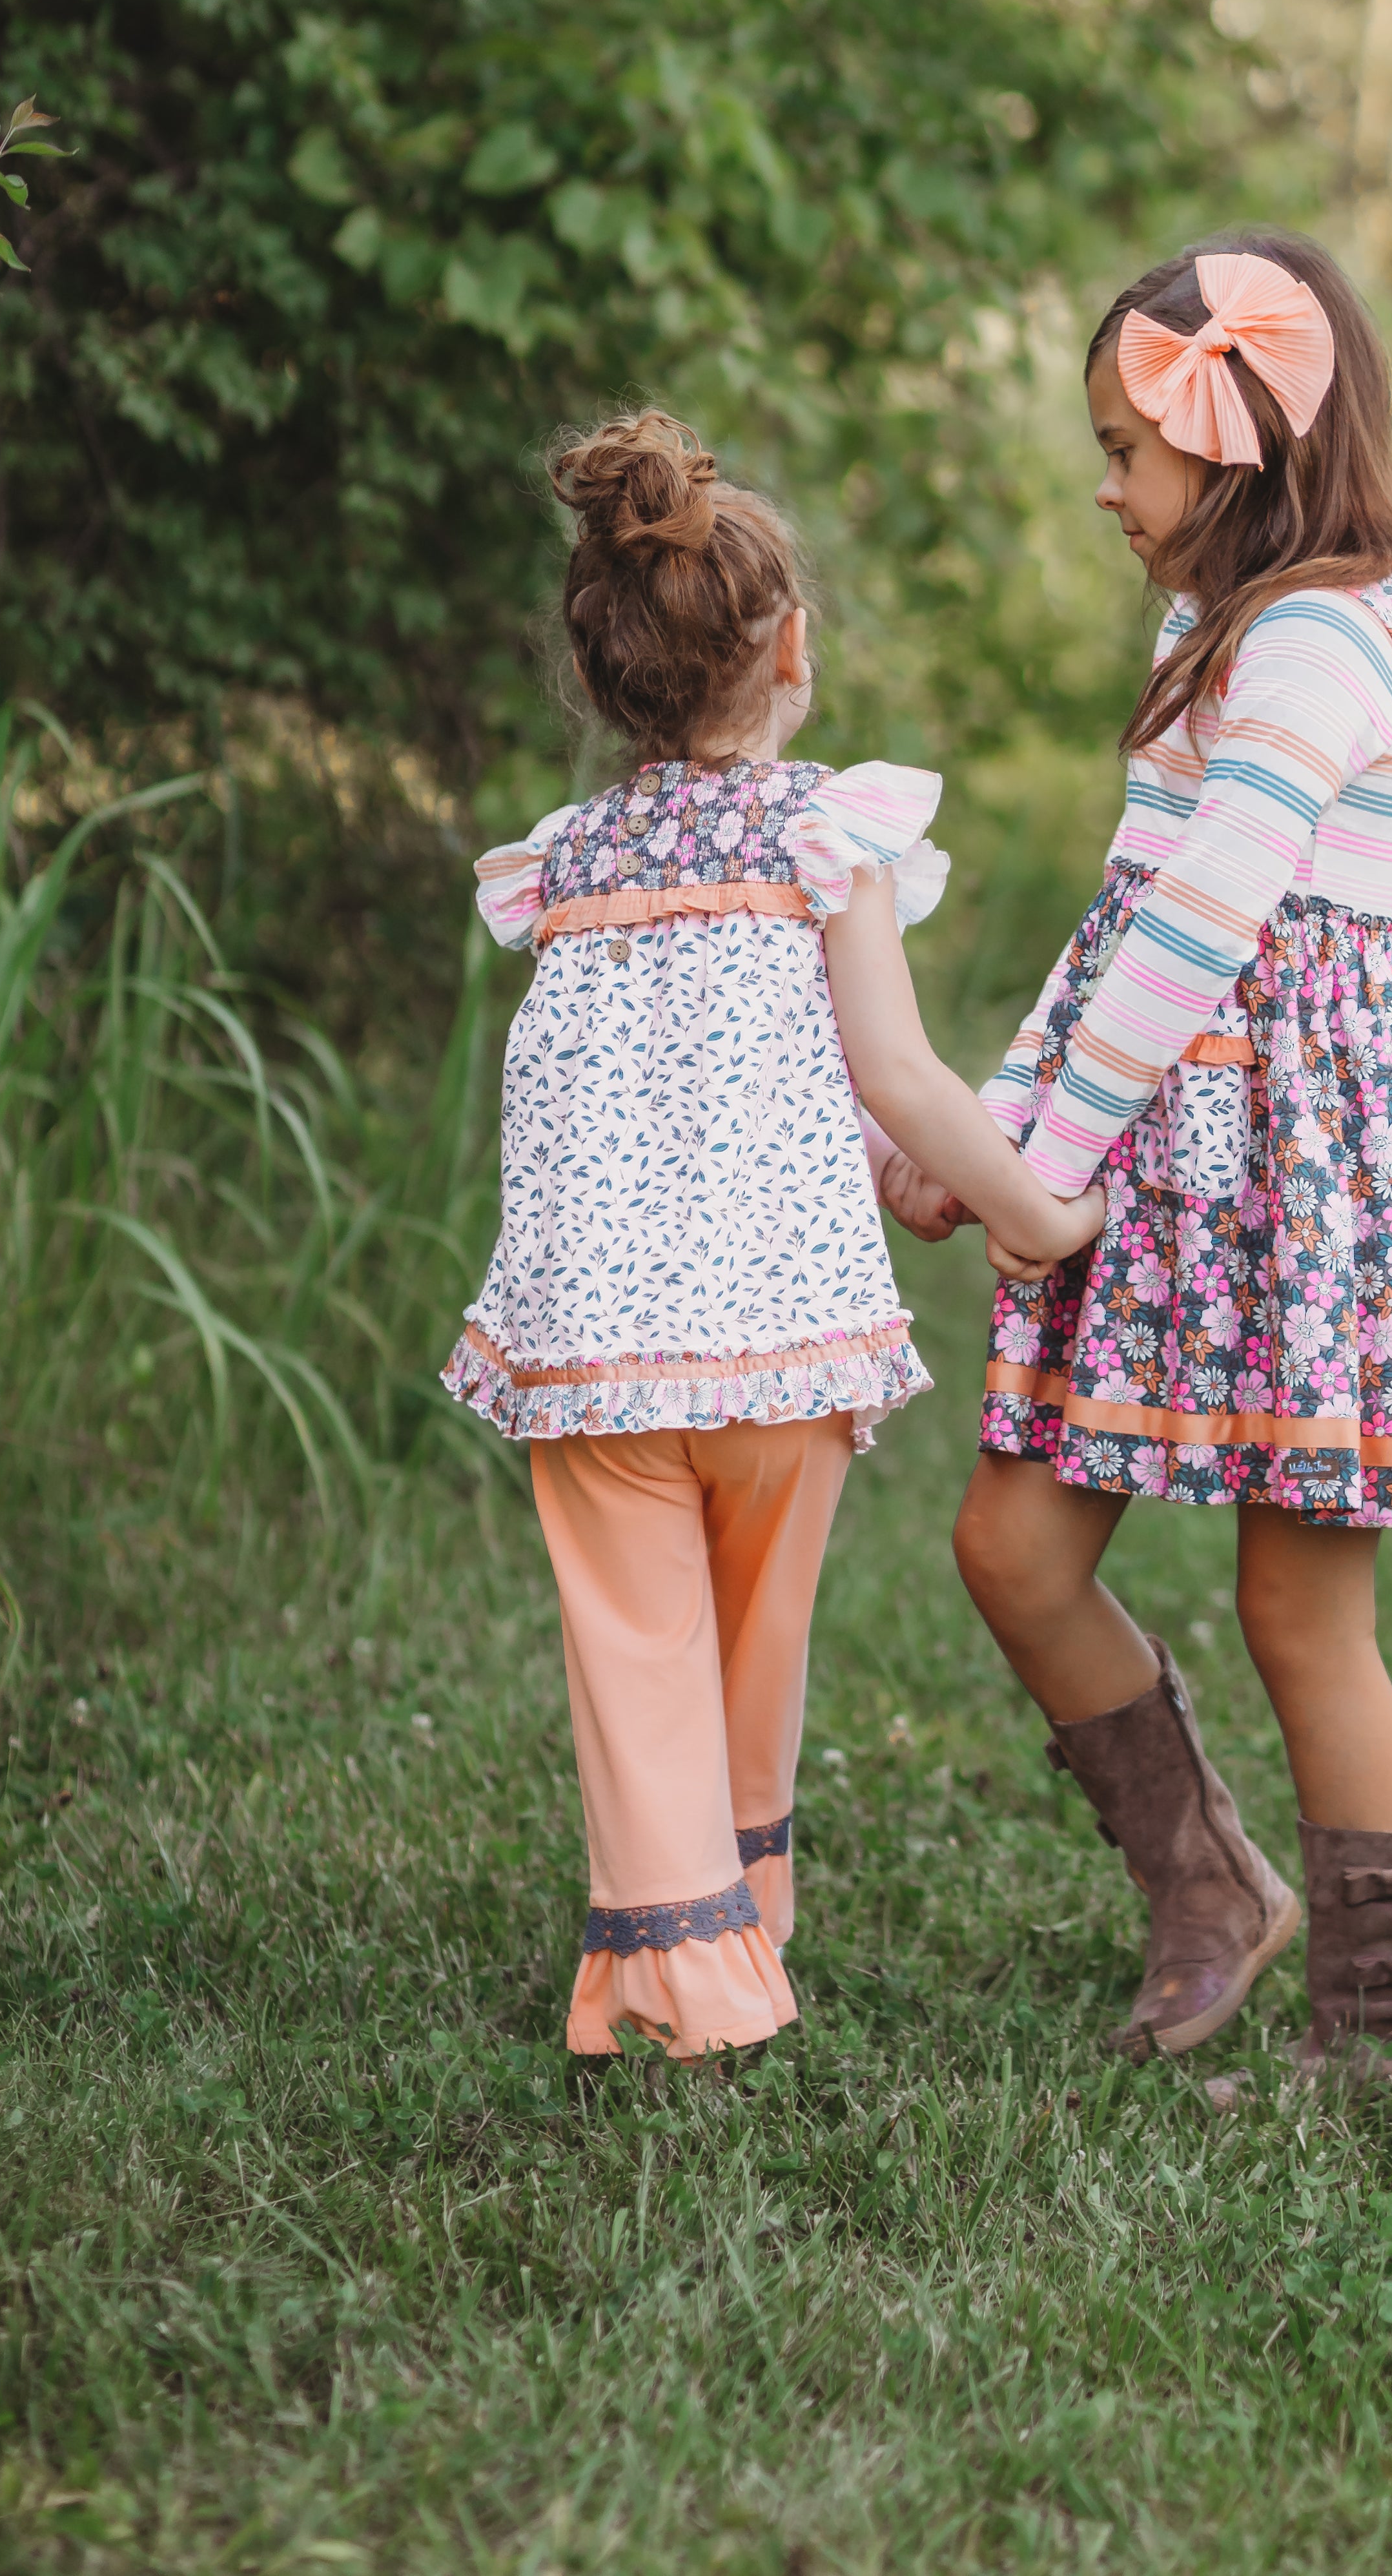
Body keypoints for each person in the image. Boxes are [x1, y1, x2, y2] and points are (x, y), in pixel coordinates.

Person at [881, 234, 1392, 2079]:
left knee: (1297, 1602)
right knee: (1012, 1543)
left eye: (1124, 448)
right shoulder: (1207, 635)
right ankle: (1208, 1888)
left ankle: (1387, 2017)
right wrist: (992, 1138)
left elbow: (1215, 915)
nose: (1105, 488)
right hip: (1148, 1153)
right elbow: (1120, 921)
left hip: (1297, 1178)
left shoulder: (1328, 642)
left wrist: (1047, 1169)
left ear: (1233, 440)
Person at [444, 410, 1102, 2068]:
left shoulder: (563, 864)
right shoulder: (825, 838)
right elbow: (884, 1062)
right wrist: (1029, 1209)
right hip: (779, 1341)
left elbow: (707, 1067)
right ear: (790, 646)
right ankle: (733, 1937)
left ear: (601, 677)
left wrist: (882, 1159)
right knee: (757, 1646)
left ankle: (681, 1975)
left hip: (599, 1341)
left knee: (633, 1649)